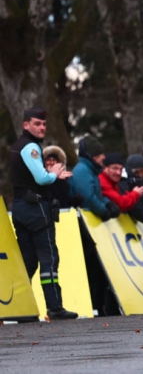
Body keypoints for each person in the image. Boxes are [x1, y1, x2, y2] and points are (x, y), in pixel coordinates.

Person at [9, 108, 77, 320]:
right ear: (25, 125)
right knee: (49, 258)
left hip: (20, 207)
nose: (41, 127)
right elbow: (41, 179)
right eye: (37, 123)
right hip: (36, 208)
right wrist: (54, 174)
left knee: (28, 261)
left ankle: (21, 309)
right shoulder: (30, 147)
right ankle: (54, 307)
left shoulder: (17, 146)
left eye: (44, 124)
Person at [71, 136, 119, 221]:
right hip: (85, 221)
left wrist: (108, 204)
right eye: (101, 154)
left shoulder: (90, 170)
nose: (104, 157)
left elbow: (96, 196)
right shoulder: (82, 170)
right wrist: (103, 211)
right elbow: (88, 198)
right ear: (94, 156)